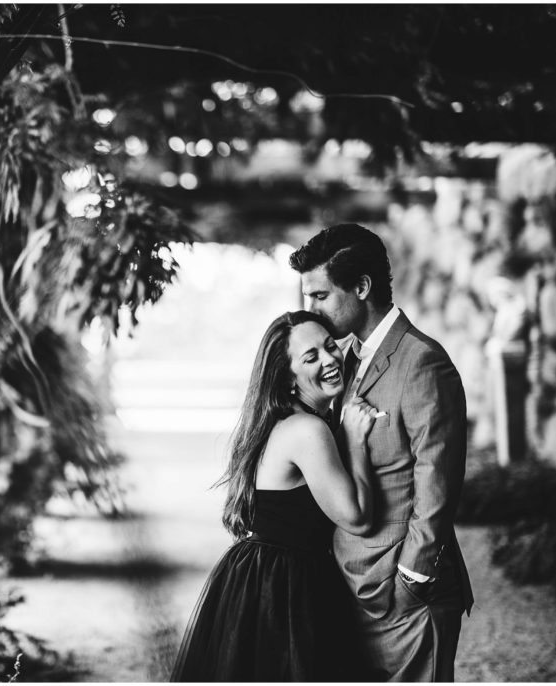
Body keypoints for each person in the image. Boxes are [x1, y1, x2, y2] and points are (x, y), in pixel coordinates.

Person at [289, 223, 474, 682]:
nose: (309, 308)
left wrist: (413, 577)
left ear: (362, 287)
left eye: (320, 296)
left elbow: (439, 479)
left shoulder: (422, 361)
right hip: (353, 587)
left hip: (405, 591)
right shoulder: (344, 359)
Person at [170, 310, 379, 682]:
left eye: (330, 346)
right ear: (288, 378)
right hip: (284, 587)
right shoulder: (307, 430)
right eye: (310, 357)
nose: (330, 359)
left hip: (257, 576)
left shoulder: (281, 423)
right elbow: (358, 517)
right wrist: (357, 441)